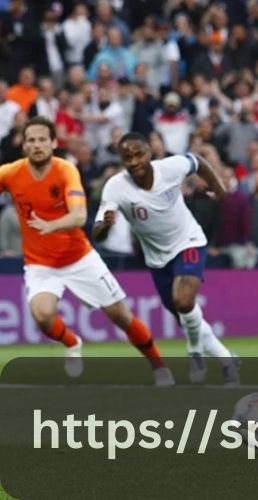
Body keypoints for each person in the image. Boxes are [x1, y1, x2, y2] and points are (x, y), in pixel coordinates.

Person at [0, 117, 173, 386]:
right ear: (24, 145)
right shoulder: (10, 174)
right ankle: (72, 342)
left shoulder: (65, 170)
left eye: (42, 139)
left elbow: (80, 216)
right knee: (42, 315)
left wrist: (52, 225)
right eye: (31, 140)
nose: (36, 145)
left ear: (54, 142)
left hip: (79, 258)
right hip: (40, 264)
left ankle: (159, 366)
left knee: (122, 316)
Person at [92, 133, 240, 385]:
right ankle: (227, 359)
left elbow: (198, 162)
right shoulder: (116, 186)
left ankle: (194, 350)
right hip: (157, 260)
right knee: (187, 315)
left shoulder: (171, 167)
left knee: (184, 301)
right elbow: (98, 232)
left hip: (188, 242)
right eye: (128, 157)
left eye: (139, 154)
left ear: (149, 152)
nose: (135, 161)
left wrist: (218, 188)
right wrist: (104, 226)